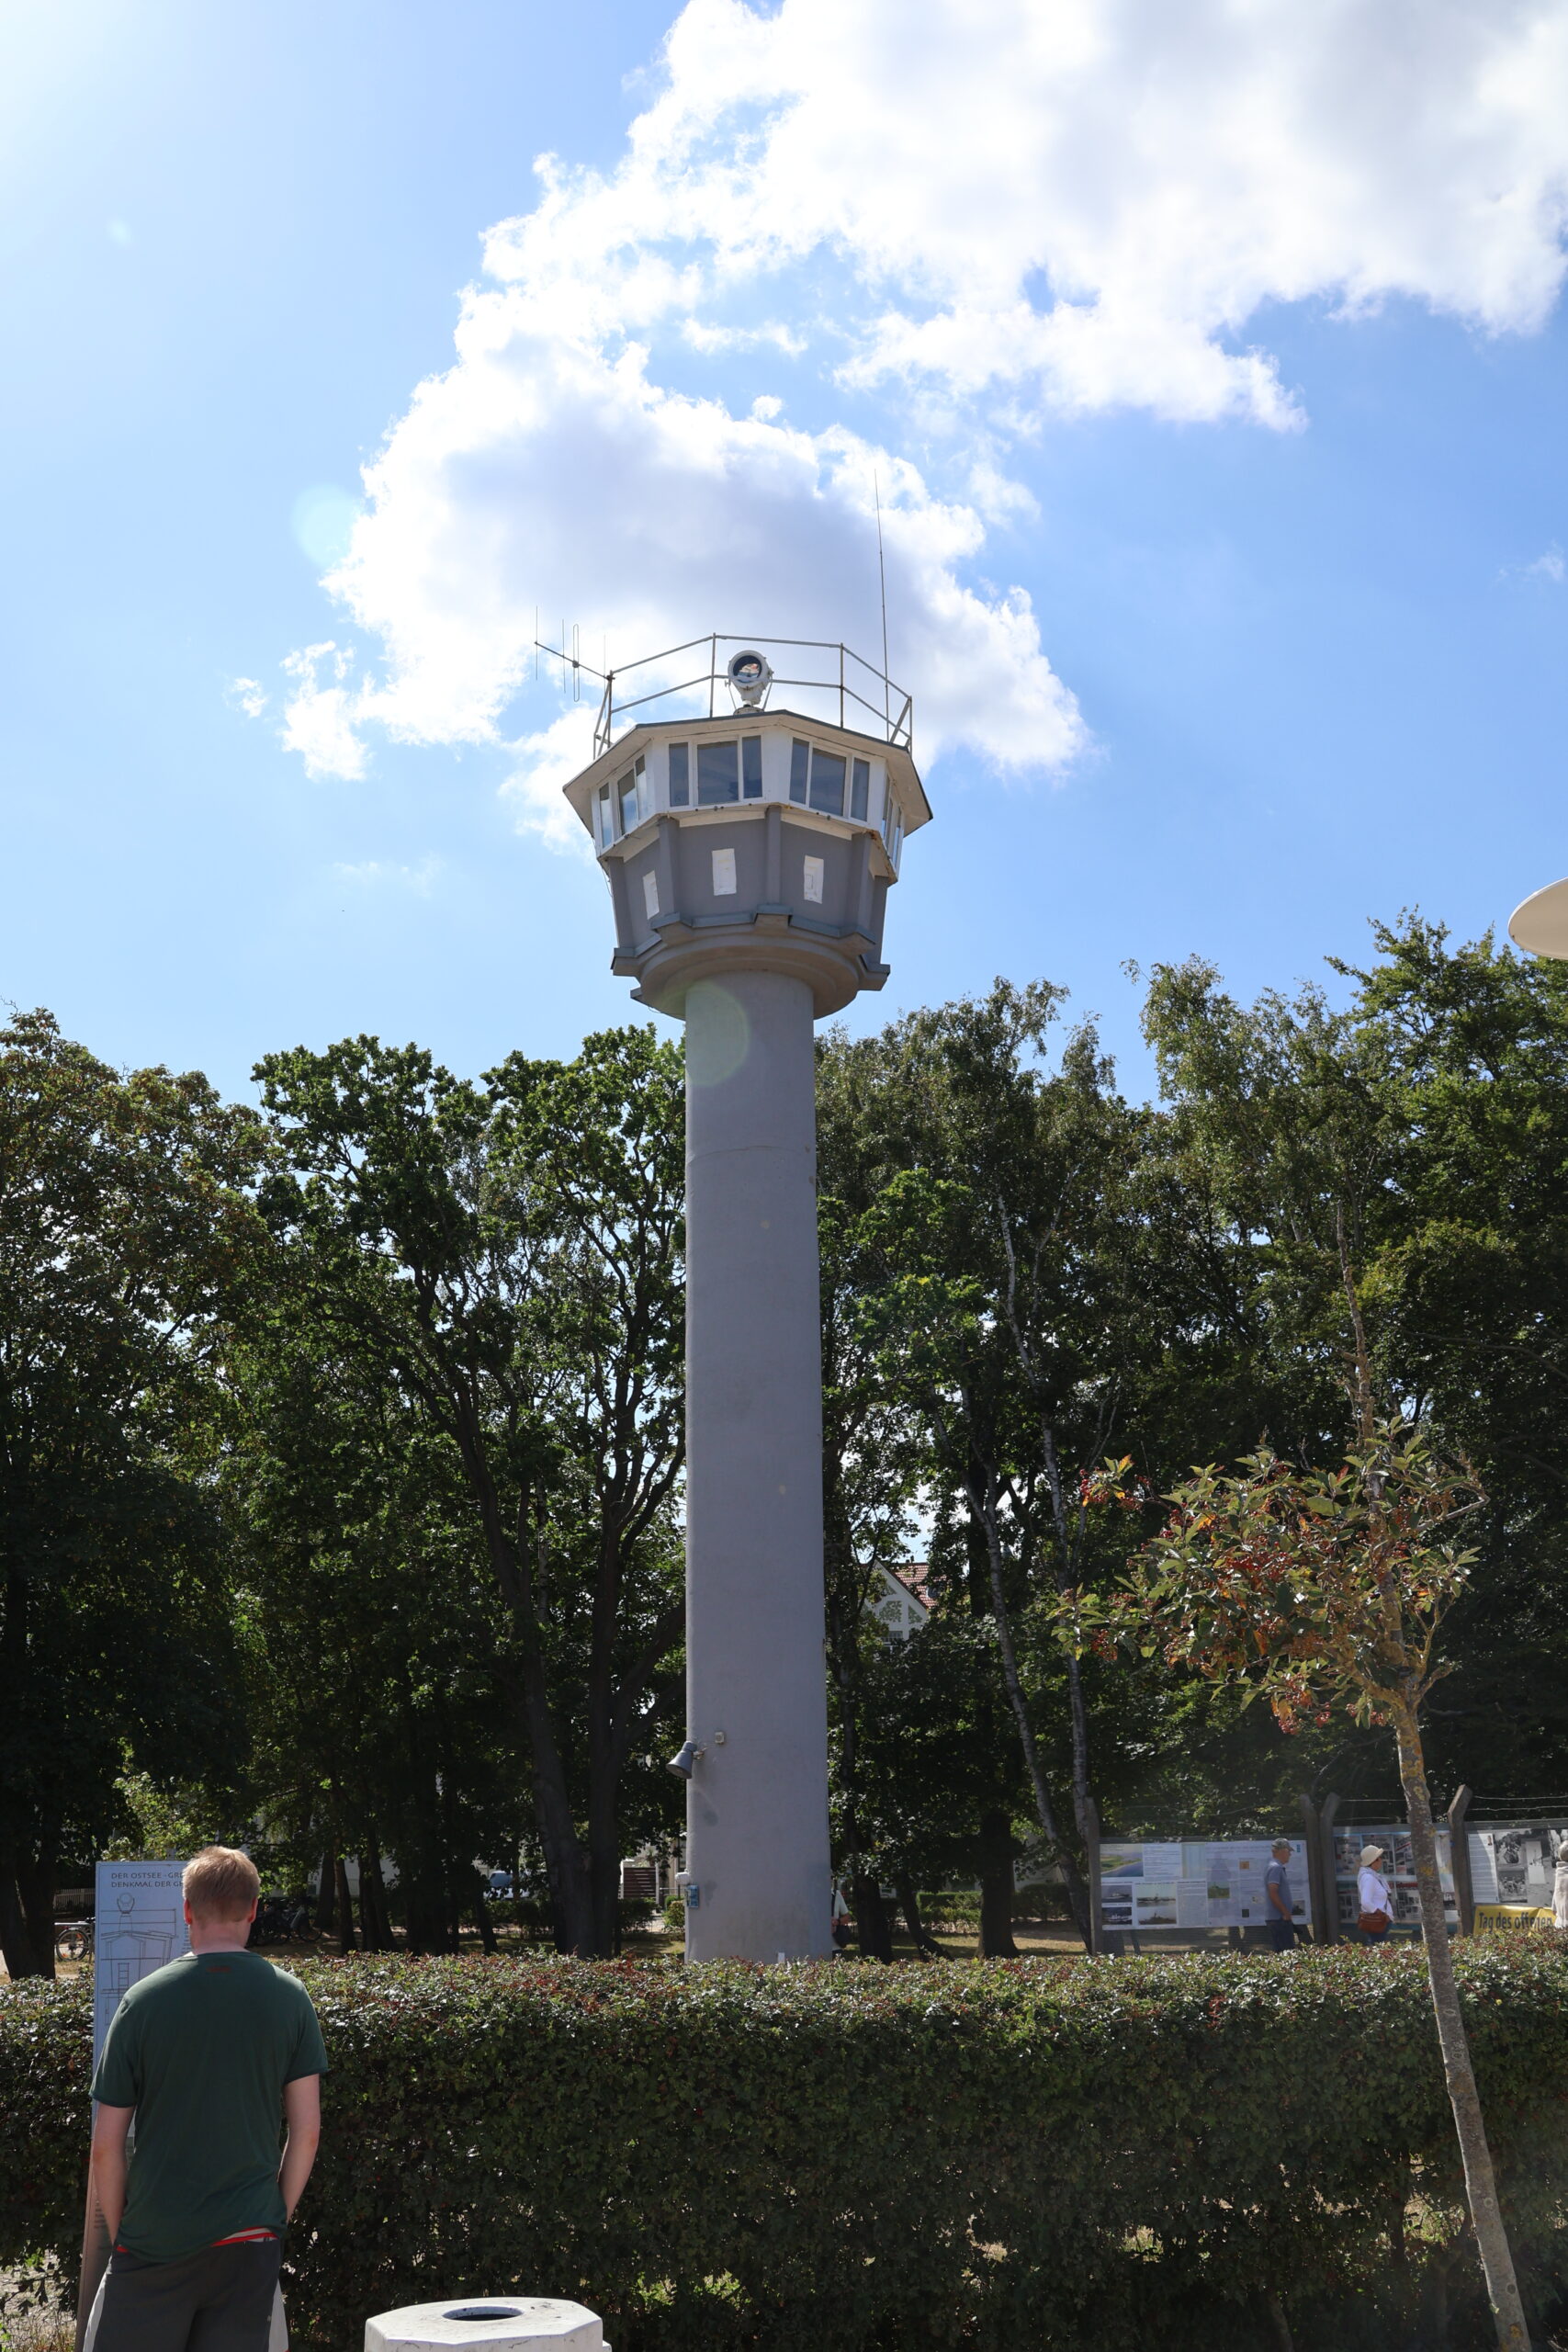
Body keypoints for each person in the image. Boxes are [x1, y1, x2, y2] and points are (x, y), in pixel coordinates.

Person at [88, 1846, 328, 2352]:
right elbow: (306, 2131)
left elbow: (106, 2146)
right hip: (249, 2239)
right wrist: (270, 2217)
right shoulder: (291, 1998)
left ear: (187, 1911)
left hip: (154, 2241)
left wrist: (126, 2234)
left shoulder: (142, 2002)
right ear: (255, 1909)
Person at [1264, 1841, 1298, 1952]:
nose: (1290, 1854)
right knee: (1286, 1954)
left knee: (1283, 1953)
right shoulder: (1276, 1868)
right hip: (1279, 1919)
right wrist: (1285, 1913)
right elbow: (1273, 1892)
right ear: (1281, 1851)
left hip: (1278, 1918)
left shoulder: (1274, 1866)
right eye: (1289, 1851)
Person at [1357, 1844, 1394, 1944]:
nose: (1381, 1861)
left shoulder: (1371, 1876)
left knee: (1378, 1949)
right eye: (1379, 1858)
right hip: (1377, 1921)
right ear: (1373, 1861)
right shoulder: (1369, 1878)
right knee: (1378, 1949)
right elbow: (1365, 1901)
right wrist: (1381, 1914)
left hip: (1379, 1921)